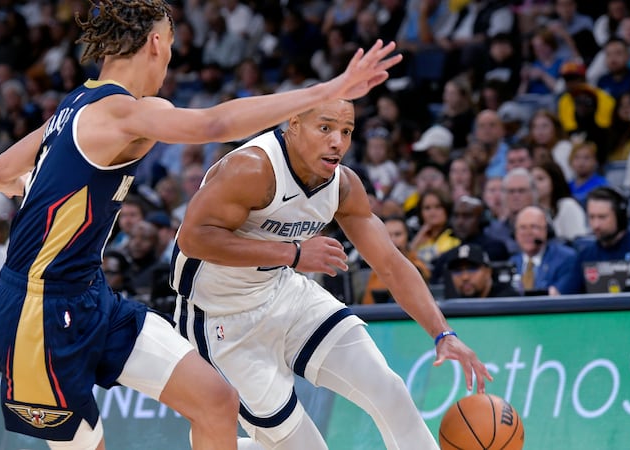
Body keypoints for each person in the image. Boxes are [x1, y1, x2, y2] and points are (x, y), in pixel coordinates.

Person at [0, 0, 403, 448]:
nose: (170, 57)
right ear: (156, 44)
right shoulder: (120, 112)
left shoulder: (76, 105)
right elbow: (215, 123)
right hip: (36, 313)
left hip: (90, 296)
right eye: (171, 44)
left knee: (216, 400)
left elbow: (0, 172)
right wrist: (328, 90)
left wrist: (48, 196)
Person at [171, 99, 491, 449]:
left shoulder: (342, 186)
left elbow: (391, 264)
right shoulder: (253, 168)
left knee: (387, 389)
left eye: (346, 131)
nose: (337, 142)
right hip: (220, 317)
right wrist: (292, 254)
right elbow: (193, 239)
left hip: (283, 293)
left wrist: (442, 333)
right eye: (325, 128)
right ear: (294, 124)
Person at [577, 186, 630, 290]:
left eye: (602, 217)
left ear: (620, 216)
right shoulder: (585, 256)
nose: (596, 225)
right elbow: (566, 295)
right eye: (592, 217)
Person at [509, 206, 582, 296]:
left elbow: (558, 297)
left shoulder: (566, 259)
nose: (528, 233)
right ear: (514, 233)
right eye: (522, 227)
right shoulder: (511, 263)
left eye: (534, 227)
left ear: (547, 230)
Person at [443, 243, 519, 299]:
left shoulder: (507, 300)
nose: (465, 277)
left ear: (488, 272)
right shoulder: (449, 304)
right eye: (457, 271)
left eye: (472, 269)